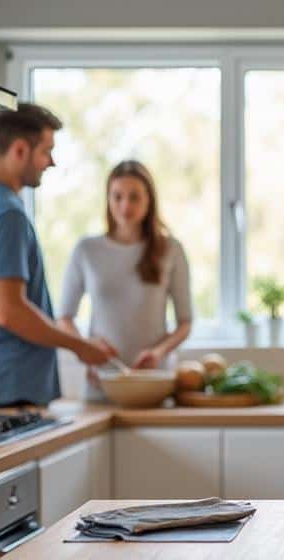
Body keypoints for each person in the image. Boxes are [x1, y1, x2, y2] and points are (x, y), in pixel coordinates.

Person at [0, 103, 113, 408]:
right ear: (20, 150)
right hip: (10, 392)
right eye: (46, 151)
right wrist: (81, 346)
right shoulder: (7, 214)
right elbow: (10, 311)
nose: (51, 162)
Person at [57, 160, 191, 398]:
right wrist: (86, 349)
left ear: (149, 200)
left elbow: (185, 323)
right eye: (117, 196)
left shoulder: (171, 249)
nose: (125, 205)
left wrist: (159, 353)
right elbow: (65, 317)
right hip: (102, 383)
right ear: (107, 199)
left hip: (153, 384)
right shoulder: (87, 250)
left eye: (134, 197)